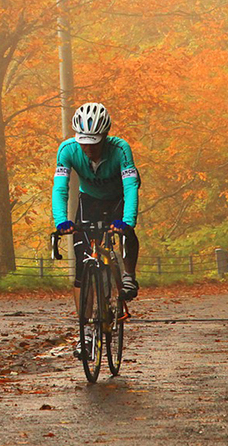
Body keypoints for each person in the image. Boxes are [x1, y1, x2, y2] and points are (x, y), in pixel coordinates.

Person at [51, 101, 140, 359]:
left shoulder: (121, 149)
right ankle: (86, 334)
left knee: (126, 233)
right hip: (88, 200)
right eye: (83, 143)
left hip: (118, 198)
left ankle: (128, 276)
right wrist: (61, 221)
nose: (88, 148)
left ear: (105, 136)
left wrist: (127, 222)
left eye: (94, 142)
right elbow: (60, 188)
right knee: (82, 265)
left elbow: (131, 188)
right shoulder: (67, 150)